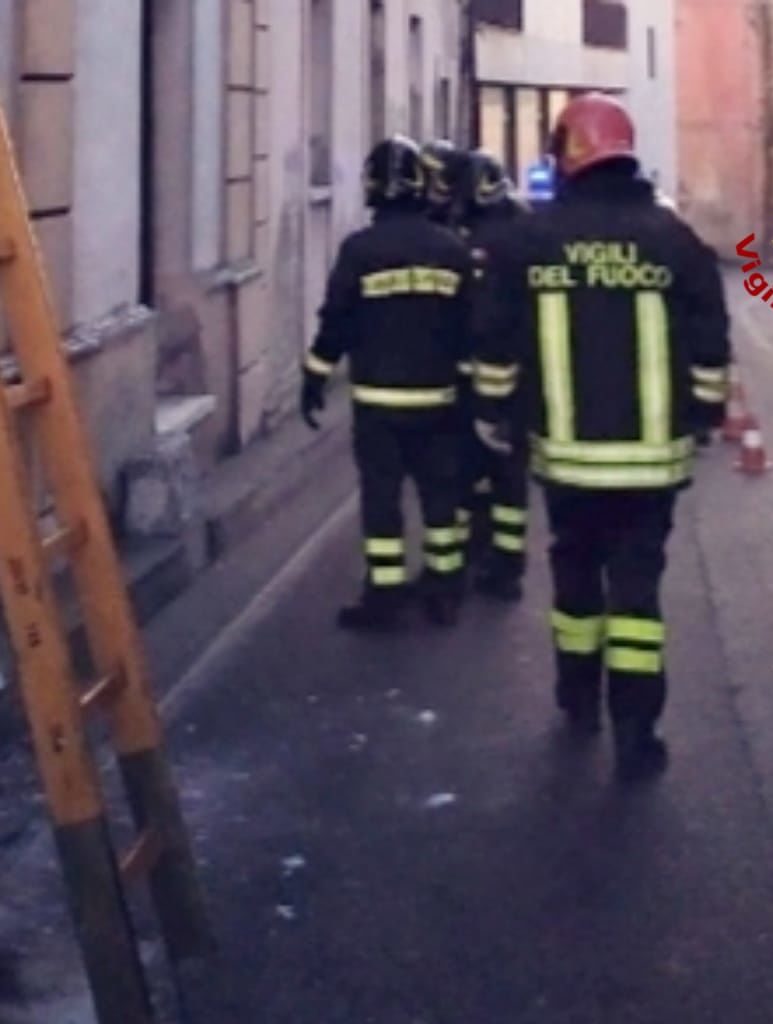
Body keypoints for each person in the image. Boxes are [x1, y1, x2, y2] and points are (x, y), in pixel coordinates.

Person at [471, 95, 731, 781]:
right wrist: (702, 418)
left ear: (571, 154)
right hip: (651, 468)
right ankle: (637, 733)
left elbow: (493, 343)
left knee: (576, 577)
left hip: (566, 464)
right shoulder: (674, 240)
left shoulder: (530, 241)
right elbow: (711, 347)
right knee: (638, 594)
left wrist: (496, 413)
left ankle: (578, 699)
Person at [301, 136, 474, 631]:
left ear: (373, 187)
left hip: (378, 405)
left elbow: (337, 322)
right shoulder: (452, 250)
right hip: (440, 401)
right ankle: (445, 590)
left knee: (382, 499)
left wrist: (314, 378)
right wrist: (474, 393)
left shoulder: (359, 250)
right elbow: (472, 327)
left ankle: (385, 595)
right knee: (440, 498)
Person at [458, 151, 533, 602]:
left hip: (484, 383)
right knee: (509, 477)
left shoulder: (479, 243)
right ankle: (507, 564)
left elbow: (484, 324)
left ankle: (480, 555)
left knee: (475, 473)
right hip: (521, 382)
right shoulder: (523, 232)